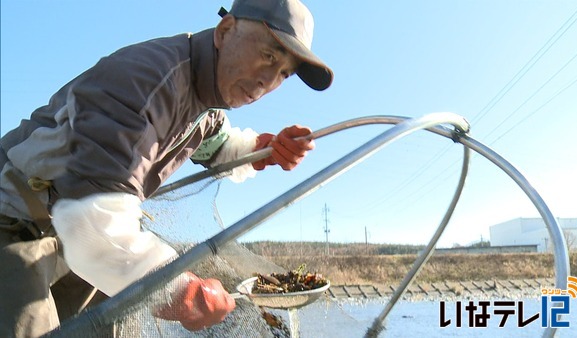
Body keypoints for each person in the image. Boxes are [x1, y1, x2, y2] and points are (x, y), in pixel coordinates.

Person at [0, 0, 333, 336]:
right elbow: (94, 224)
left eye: (283, 73)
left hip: (66, 231)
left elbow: (217, 144)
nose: (268, 81)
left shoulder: (206, 104)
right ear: (225, 31)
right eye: (269, 56)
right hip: (15, 221)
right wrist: (183, 294)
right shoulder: (142, 80)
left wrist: (263, 150)